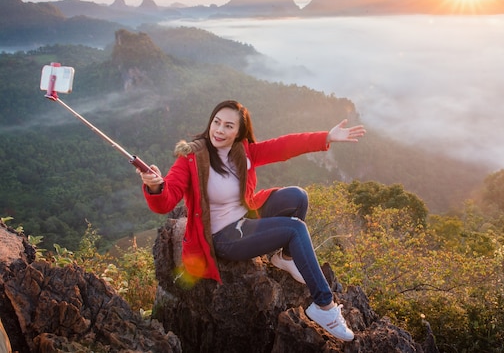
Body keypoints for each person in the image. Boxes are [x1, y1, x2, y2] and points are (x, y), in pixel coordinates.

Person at [138, 100, 366, 342]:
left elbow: (283, 146)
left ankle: (285, 258)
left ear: (239, 132)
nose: (219, 130)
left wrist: (326, 137)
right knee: (295, 229)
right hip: (224, 236)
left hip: (247, 216)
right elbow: (166, 200)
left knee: (298, 197)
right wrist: (155, 186)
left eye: (228, 126)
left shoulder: (243, 151)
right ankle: (324, 306)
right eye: (216, 122)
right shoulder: (191, 157)